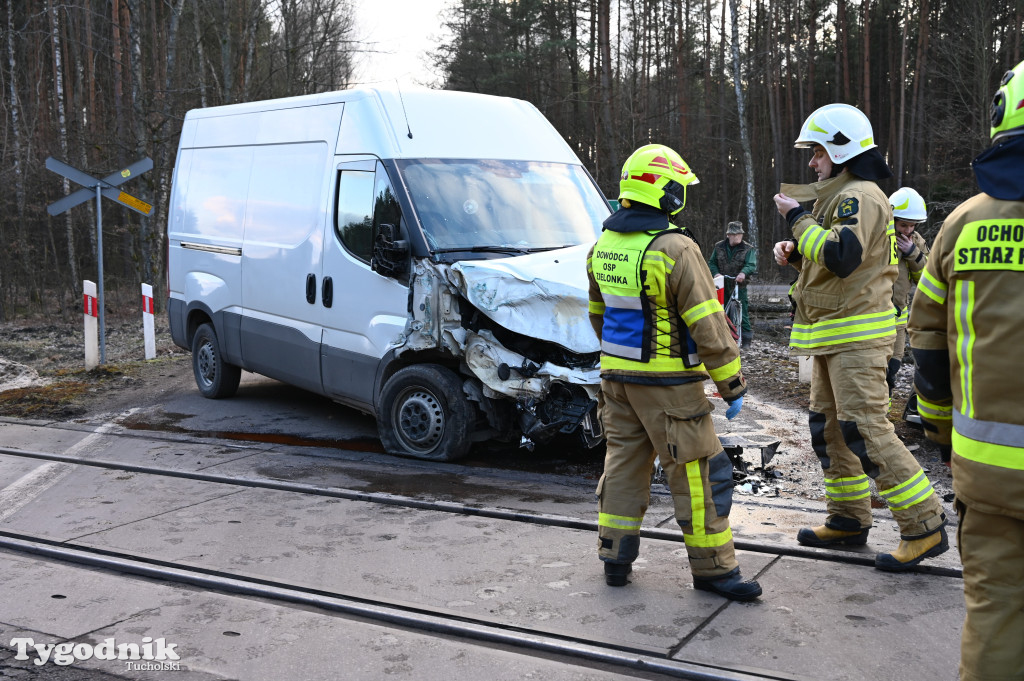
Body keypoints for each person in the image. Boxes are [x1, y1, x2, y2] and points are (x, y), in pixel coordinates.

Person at [771, 103, 947, 571]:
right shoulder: (845, 196)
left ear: (842, 148)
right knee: (829, 431)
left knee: (865, 429)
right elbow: (839, 264)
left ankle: (924, 524)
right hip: (832, 335)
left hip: (856, 338)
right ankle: (849, 519)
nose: (811, 163)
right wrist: (795, 255)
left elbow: (843, 255)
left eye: (818, 153)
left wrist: (795, 220)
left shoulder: (860, 196)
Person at [586, 143, 761, 601]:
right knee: (701, 475)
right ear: (666, 192)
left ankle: (615, 558)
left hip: (616, 382)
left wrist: (620, 362)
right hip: (670, 388)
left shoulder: (602, 246)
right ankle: (714, 571)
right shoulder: (676, 248)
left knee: (623, 467)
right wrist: (732, 383)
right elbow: (708, 323)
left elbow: (597, 315)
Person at [908, 59, 1024, 681]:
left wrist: (939, 431)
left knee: (995, 612)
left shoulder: (965, 222)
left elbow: (926, 337)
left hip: (987, 472)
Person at [886, 187, 930, 401]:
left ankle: (882, 415)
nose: (908, 230)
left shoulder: (917, 242)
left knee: (892, 367)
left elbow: (928, 279)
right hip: (872, 317)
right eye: (903, 224)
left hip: (898, 320)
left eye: (912, 225)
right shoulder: (878, 236)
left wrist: (913, 253)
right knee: (874, 369)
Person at [707, 221, 757, 347]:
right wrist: (716, 273)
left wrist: (743, 273)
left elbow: (751, 264)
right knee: (720, 310)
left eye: (740, 234)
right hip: (722, 283)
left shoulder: (748, 249)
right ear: (728, 235)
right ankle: (721, 337)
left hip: (739, 284)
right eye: (735, 234)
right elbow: (712, 262)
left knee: (742, 311)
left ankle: (746, 340)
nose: (738, 237)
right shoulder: (719, 247)